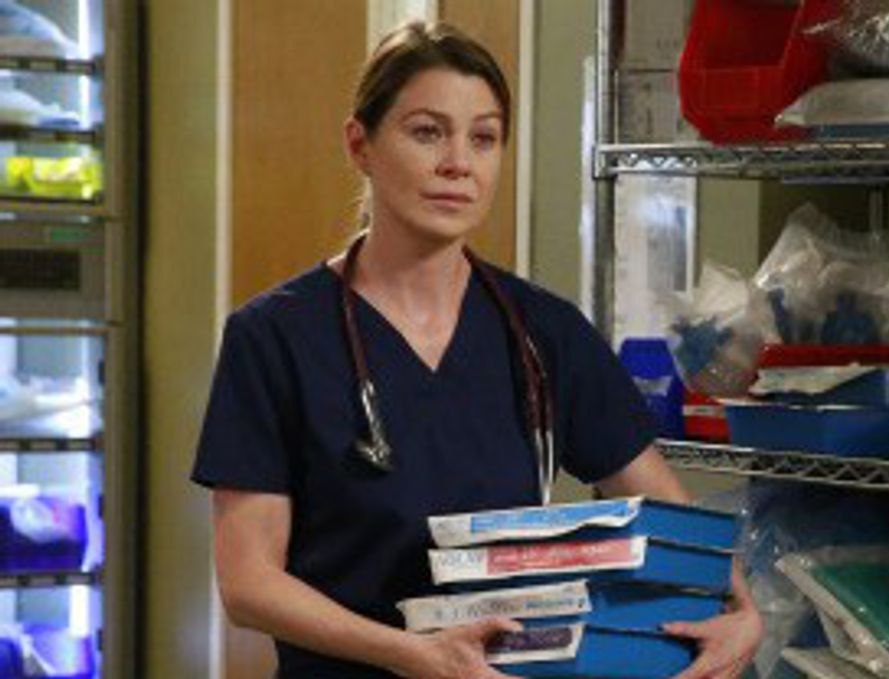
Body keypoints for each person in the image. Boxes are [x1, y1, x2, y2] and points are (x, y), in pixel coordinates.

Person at [192, 20, 763, 679]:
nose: (458, 163)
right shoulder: (274, 337)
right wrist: (413, 655)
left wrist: (741, 609)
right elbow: (249, 583)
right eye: (427, 132)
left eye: (483, 138)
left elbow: (669, 516)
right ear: (360, 145)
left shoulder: (543, 332)